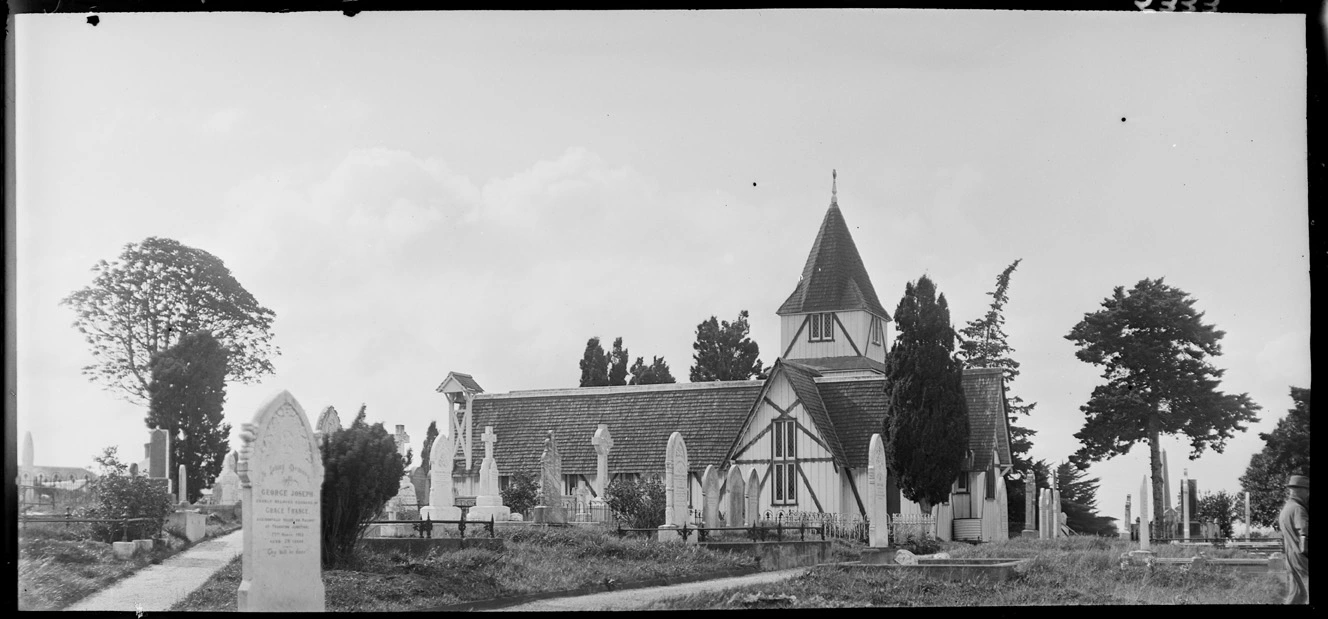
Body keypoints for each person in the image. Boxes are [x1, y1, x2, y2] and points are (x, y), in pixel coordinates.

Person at [1279, 474, 1309, 604]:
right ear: (1300, 490)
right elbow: (1304, 533)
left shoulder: (1287, 508)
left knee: (1296, 594)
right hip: (1301, 557)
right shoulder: (1298, 509)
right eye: (1307, 490)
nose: (1308, 494)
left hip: (1291, 556)